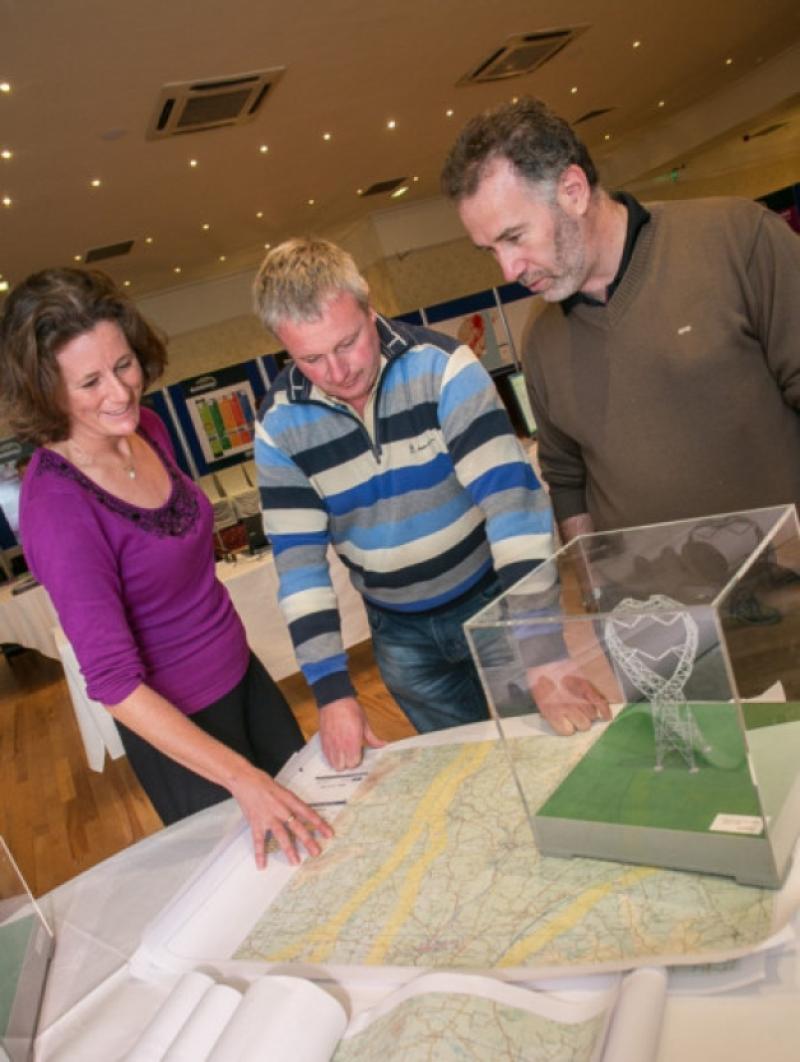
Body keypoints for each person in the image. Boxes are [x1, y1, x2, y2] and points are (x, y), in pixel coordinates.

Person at [0, 268, 331, 868]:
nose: (120, 393)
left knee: (317, 830)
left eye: (123, 365)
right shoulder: (57, 504)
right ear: (45, 392)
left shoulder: (147, 428)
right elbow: (115, 684)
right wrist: (241, 778)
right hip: (180, 730)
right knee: (263, 882)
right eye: (90, 381)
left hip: (244, 678)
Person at [252, 237, 560, 769]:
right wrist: (331, 692)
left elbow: (513, 503)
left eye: (347, 343)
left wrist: (538, 643)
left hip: (492, 601)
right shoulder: (279, 424)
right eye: (310, 359)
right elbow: (299, 569)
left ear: (369, 308)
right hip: (399, 634)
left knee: (547, 756)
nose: (337, 372)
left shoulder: (443, 368)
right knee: (469, 772)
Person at [442, 96, 800, 547]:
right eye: (491, 250)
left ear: (573, 190)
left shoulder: (738, 240)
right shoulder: (540, 336)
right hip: (657, 611)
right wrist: (597, 590)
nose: (508, 270)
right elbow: (568, 480)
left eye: (514, 237)